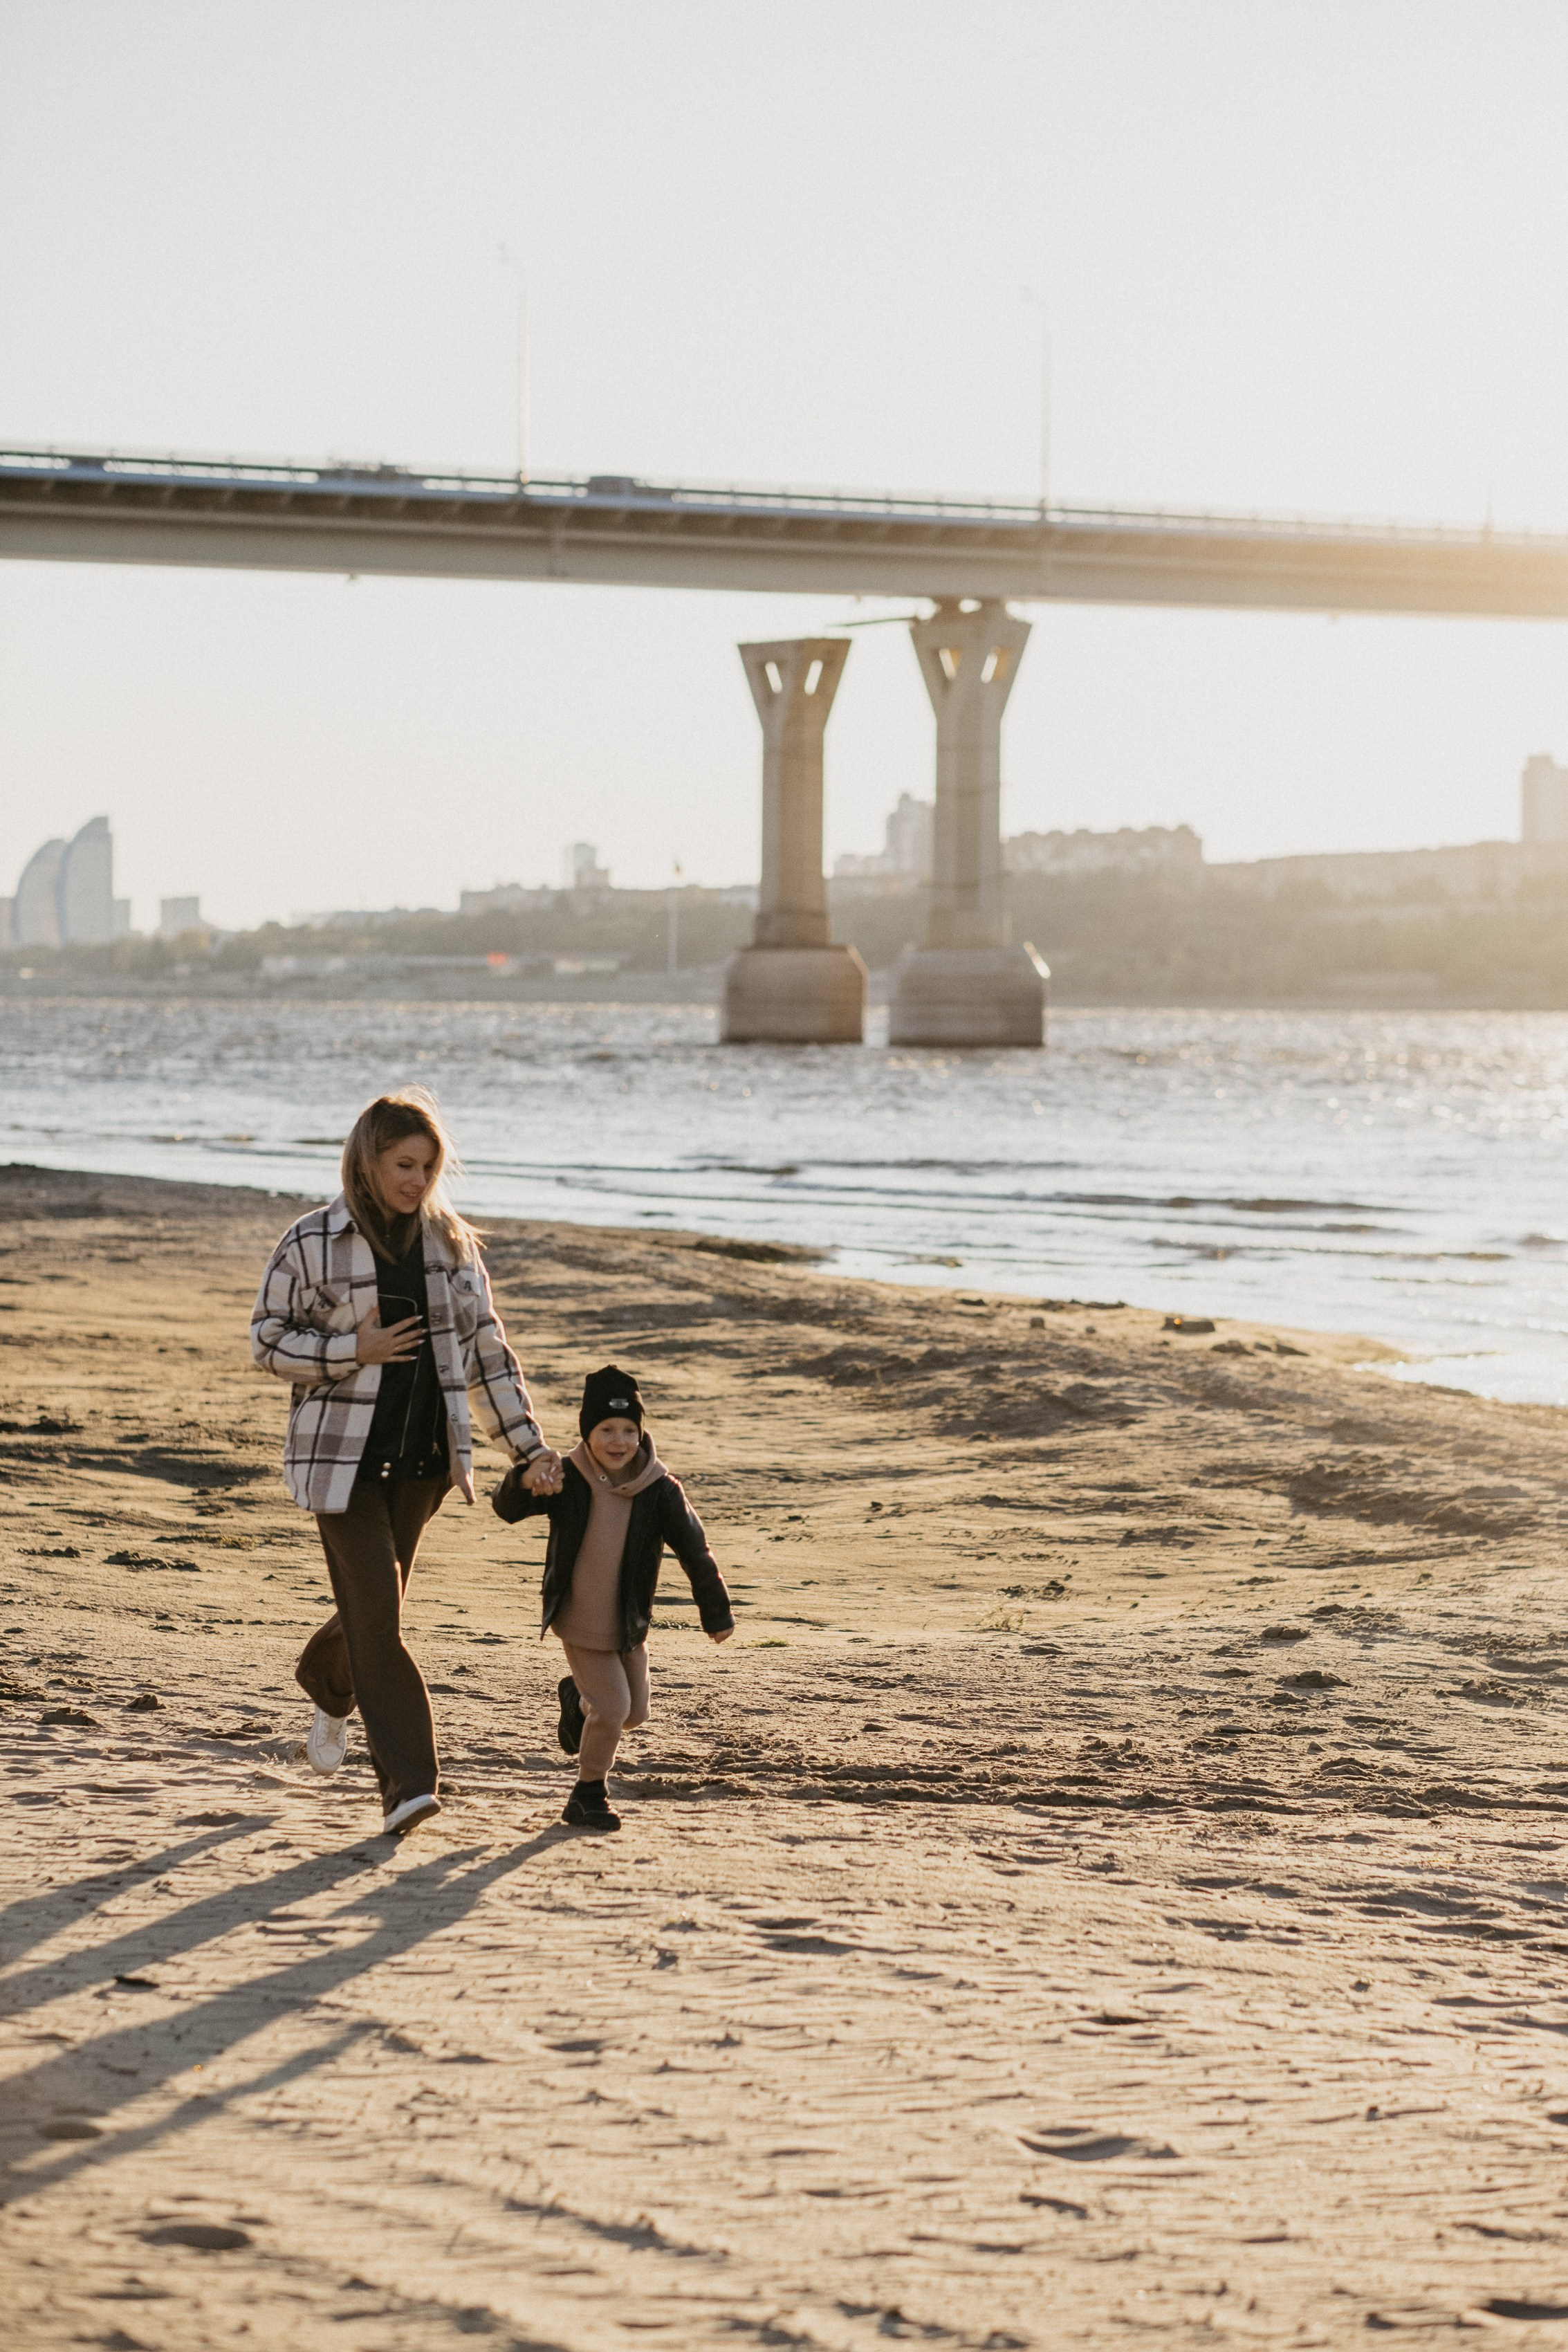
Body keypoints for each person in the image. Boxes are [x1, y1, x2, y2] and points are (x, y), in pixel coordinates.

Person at [250, 1087, 562, 1836]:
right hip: (342, 1464)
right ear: (368, 1159)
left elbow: (489, 1357)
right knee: (382, 1619)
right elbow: (267, 1340)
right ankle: (409, 1786)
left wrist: (528, 1448)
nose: (417, 1180)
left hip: (423, 1463)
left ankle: (328, 1685)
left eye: (428, 1166)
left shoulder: (452, 1246)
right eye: (403, 1164)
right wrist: (346, 1351)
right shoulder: (312, 1239)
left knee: (370, 1612)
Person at [492, 1363, 732, 1832]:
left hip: (627, 1624)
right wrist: (526, 1480)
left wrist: (716, 1612)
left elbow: (695, 1549)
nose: (618, 1441)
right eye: (606, 1429)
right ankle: (587, 1796)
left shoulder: (661, 1490)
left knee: (634, 1713)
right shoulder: (565, 1476)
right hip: (578, 1618)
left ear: (641, 1434)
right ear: (587, 1432)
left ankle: (576, 1704)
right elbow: (507, 1508)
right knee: (612, 1708)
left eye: (629, 1430)